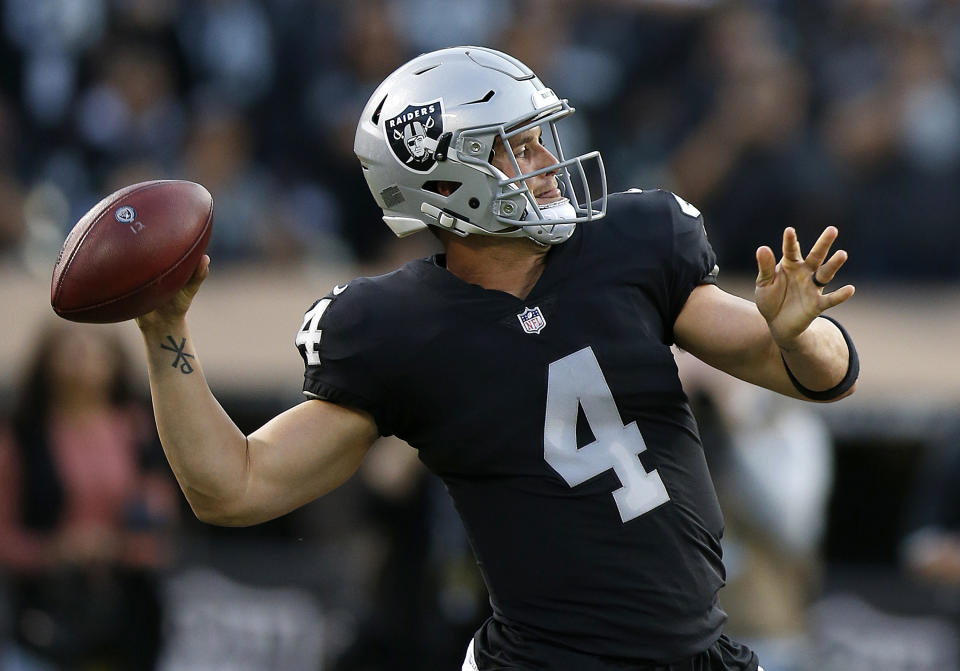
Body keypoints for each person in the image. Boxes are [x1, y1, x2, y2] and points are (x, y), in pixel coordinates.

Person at [133, 46, 859, 671]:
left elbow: (817, 374)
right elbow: (234, 486)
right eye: (518, 144)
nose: (548, 159)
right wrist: (167, 336)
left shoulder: (629, 246)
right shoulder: (401, 328)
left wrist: (798, 332)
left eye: (542, 136)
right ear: (446, 179)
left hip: (699, 649)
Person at [0, 322, 178, 670]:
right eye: (69, 346)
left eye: (93, 346)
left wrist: (117, 544)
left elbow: (161, 518)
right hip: (43, 617)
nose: (81, 356)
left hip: (127, 616)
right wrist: (55, 551)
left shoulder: (139, 431)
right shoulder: (22, 437)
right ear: (47, 361)